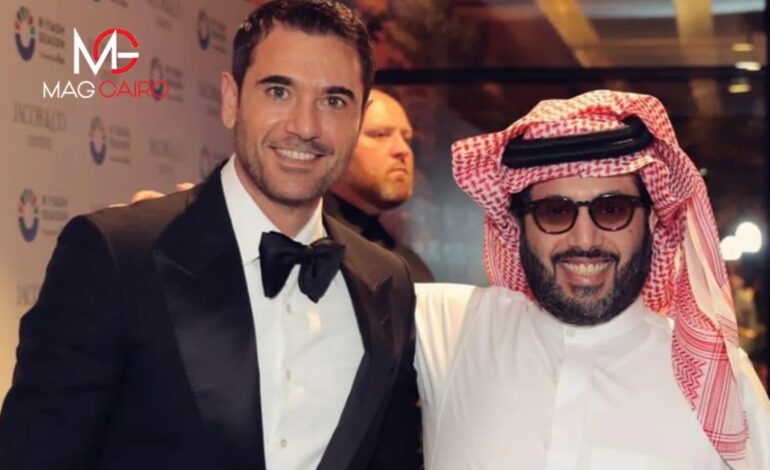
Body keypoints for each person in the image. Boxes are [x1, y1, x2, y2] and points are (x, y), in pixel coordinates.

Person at [0, 2, 421, 469]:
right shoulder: (118, 256)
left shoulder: (388, 282)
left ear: (358, 117)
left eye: (334, 101)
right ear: (231, 100)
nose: (305, 126)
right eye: (279, 91)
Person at [415, 90, 770, 469]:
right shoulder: (450, 328)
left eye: (612, 209)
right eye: (555, 211)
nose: (584, 240)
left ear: (652, 220)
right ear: (519, 226)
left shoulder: (719, 378)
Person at [325, 88, 434, 282]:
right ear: (334, 145)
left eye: (407, 139)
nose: (403, 150)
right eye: (380, 134)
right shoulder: (301, 245)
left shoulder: (408, 266)